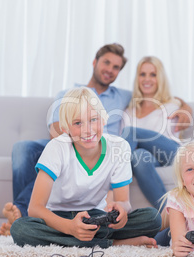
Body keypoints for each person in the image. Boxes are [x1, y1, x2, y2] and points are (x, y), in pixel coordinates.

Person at [0, 43, 192, 235]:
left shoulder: (124, 97)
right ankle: (22, 213)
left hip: (107, 147)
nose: (110, 69)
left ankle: (169, 219)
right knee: (22, 149)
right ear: (94, 62)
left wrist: (186, 107)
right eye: (106, 62)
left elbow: (153, 90)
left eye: (116, 67)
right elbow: (56, 134)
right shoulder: (67, 96)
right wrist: (73, 147)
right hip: (70, 142)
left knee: (129, 144)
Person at [10, 87, 161, 248]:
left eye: (93, 120)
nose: (87, 129)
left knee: (152, 218)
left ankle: (83, 239)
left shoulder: (119, 147)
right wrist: (70, 228)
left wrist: (122, 209)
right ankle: (114, 243)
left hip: (95, 216)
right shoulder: (57, 147)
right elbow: (35, 208)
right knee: (20, 229)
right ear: (65, 129)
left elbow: (124, 201)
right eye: (77, 123)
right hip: (58, 218)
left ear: (104, 119)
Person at [121, 56, 183, 210]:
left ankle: (114, 175)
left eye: (153, 74)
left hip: (171, 153)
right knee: (139, 157)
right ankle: (168, 214)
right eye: (143, 74)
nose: (147, 79)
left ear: (160, 78)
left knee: (130, 132)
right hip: (148, 157)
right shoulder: (128, 112)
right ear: (137, 78)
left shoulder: (171, 105)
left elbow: (159, 138)